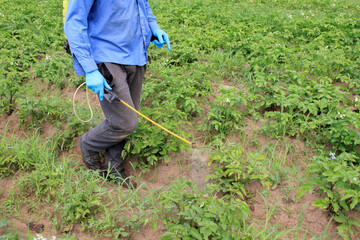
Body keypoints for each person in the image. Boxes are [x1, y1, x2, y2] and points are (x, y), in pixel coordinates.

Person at [64, 0, 171, 187]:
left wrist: (154, 27)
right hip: (107, 56)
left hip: (136, 55)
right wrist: (90, 69)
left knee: (124, 118)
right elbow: (74, 22)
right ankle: (89, 144)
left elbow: (143, 6)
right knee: (126, 121)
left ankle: (114, 168)